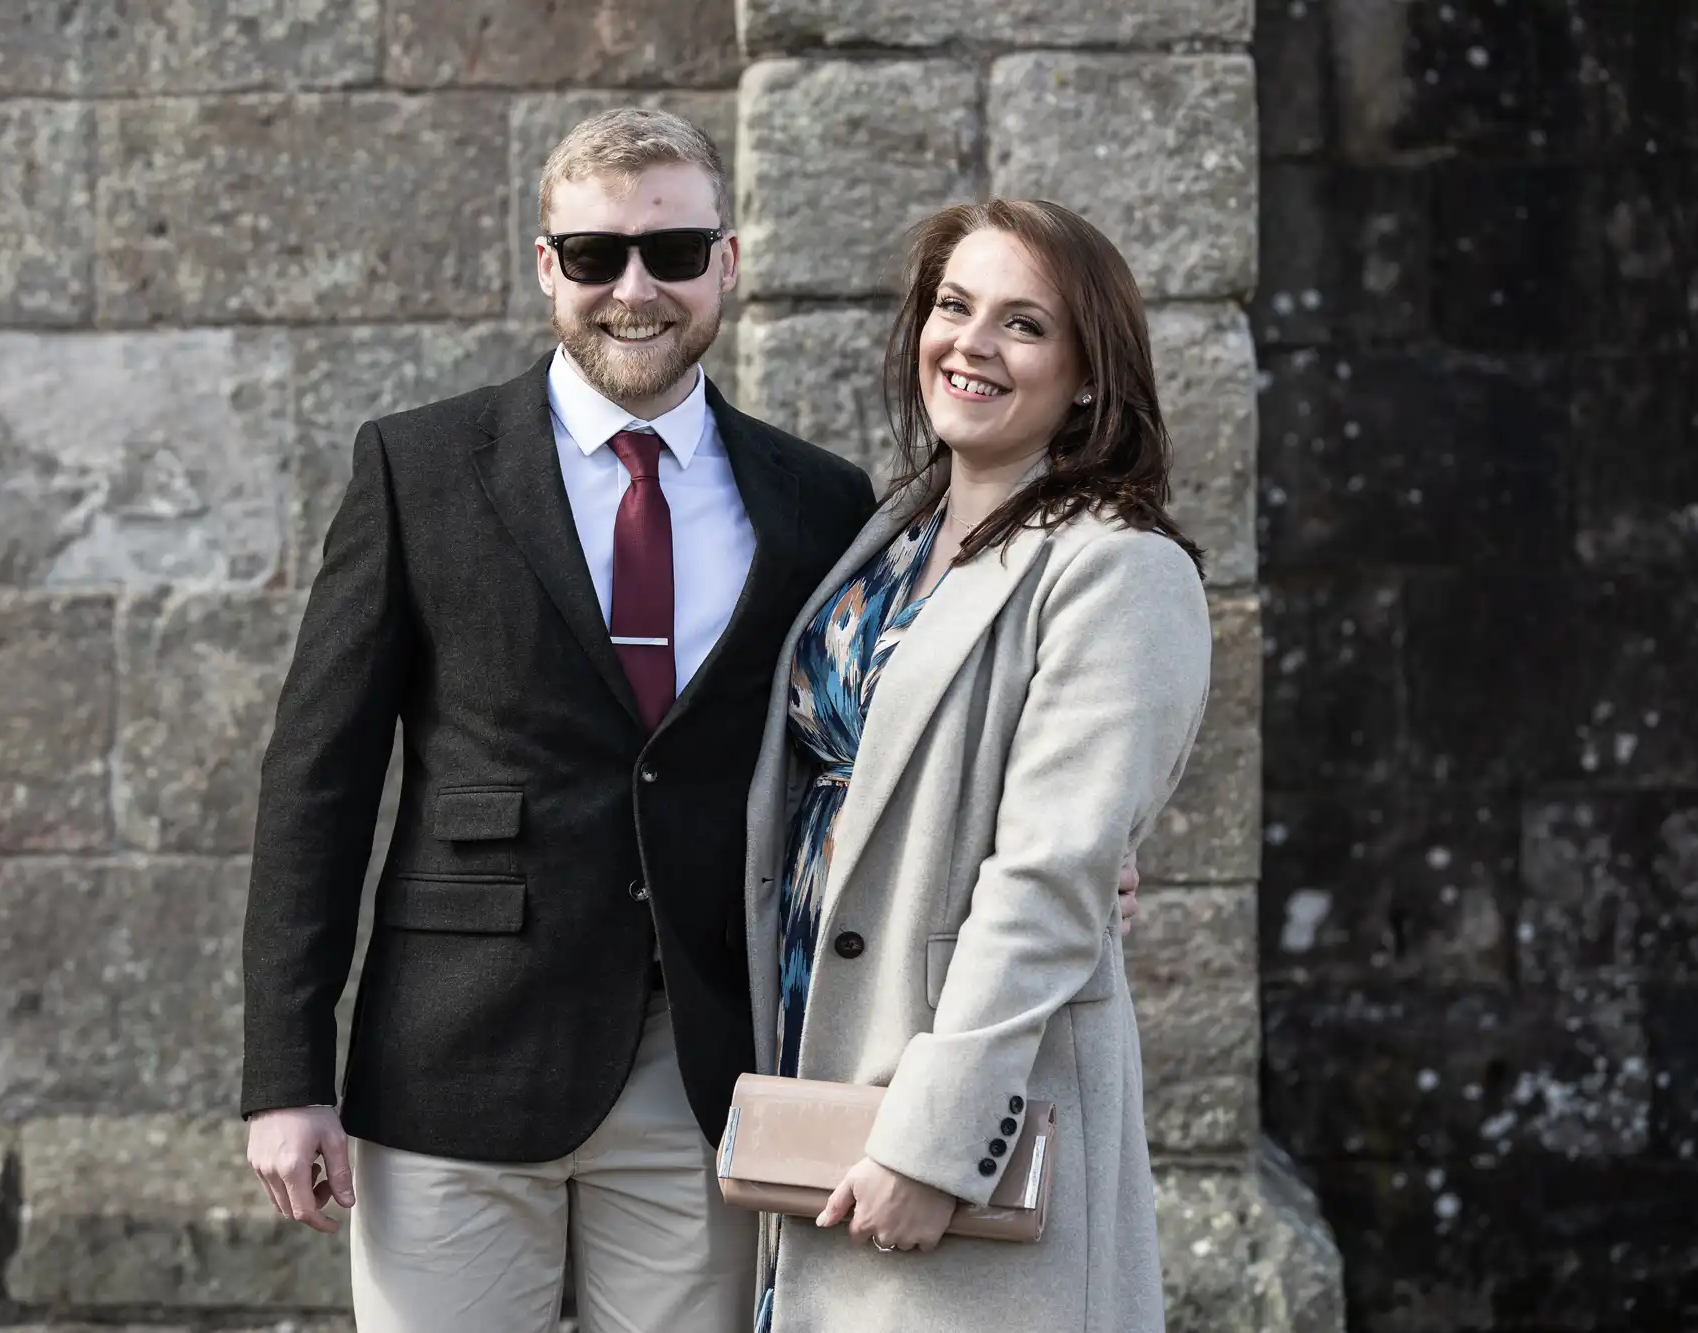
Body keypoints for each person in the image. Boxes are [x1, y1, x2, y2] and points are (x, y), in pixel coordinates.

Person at [240, 109, 1143, 1333]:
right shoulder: (420, 467)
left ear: (725, 263)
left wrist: (1077, 839)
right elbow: (317, 783)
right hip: (453, 1065)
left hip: (708, 1074)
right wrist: (284, 1076)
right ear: (547, 265)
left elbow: (875, 733)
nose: (634, 289)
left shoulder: (820, 502)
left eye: (670, 253)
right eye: (597, 254)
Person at [742, 198, 1211, 1333]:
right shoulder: (891, 538)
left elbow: (1049, 881)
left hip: (965, 1091)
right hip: (815, 1039)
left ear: (1088, 374)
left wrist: (932, 1141)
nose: (970, 343)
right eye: (953, 306)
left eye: (1023, 324)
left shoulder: (1116, 568)